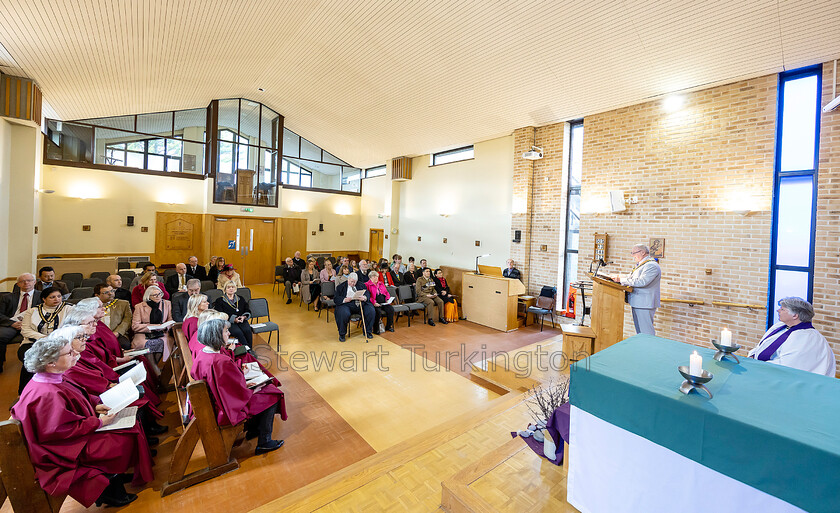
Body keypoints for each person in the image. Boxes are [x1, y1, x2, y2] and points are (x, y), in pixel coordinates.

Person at [11, 335, 154, 507]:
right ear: (51, 363)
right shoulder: (46, 394)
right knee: (122, 437)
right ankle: (108, 485)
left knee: (128, 426)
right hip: (62, 452)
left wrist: (94, 406)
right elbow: (61, 430)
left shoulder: (51, 377)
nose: (74, 354)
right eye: (68, 353)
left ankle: (114, 475)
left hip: (71, 438)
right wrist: (99, 423)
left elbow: (74, 398)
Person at [192, 319, 285, 455]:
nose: (229, 333)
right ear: (216, 335)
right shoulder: (221, 361)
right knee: (273, 393)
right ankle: (264, 442)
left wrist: (242, 379)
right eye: (225, 331)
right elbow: (236, 393)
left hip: (216, 401)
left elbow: (224, 384)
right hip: (227, 407)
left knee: (265, 389)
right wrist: (254, 388)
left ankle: (254, 429)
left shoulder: (203, 353)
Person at [748, 297, 836, 376]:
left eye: (782, 309)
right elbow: (761, 346)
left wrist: (759, 366)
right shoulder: (779, 326)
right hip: (761, 369)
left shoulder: (808, 337)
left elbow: (789, 365)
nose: (778, 311)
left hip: (782, 378)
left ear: (795, 315)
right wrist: (753, 355)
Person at [610, 244, 661, 335]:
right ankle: (642, 348)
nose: (632, 255)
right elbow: (632, 277)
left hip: (645, 303)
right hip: (638, 302)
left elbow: (642, 281)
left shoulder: (651, 265)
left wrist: (621, 280)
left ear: (643, 252)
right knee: (640, 332)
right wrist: (618, 277)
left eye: (634, 253)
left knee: (646, 332)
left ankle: (649, 349)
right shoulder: (642, 265)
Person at [0, 273, 40, 372]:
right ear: (18, 284)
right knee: (0, 336)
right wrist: (11, 323)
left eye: (29, 280)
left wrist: (29, 323)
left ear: (34, 282)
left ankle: (35, 367)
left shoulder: (42, 296)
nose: (26, 283)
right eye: (22, 281)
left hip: (33, 325)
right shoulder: (7, 297)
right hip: (12, 324)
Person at [131, 285, 173, 364]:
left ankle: (153, 369)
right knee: (148, 344)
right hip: (144, 334)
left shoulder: (167, 304)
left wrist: (165, 326)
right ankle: (156, 371)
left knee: (162, 343)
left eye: (159, 294)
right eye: (155, 295)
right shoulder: (139, 307)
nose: (158, 296)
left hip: (162, 333)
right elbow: (135, 326)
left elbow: (170, 320)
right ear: (148, 296)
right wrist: (152, 327)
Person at [334, 273, 375, 342]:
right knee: (343, 313)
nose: (352, 283)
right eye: (351, 281)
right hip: (347, 304)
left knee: (371, 310)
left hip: (360, 304)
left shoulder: (361, 285)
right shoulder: (341, 287)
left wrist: (364, 297)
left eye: (354, 282)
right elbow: (336, 299)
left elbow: (367, 293)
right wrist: (344, 299)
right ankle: (342, 334)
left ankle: (367, 331)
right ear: (348, 279)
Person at [214, 281, 253, 348]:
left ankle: (250, 348)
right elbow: (220, 314)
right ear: (225, 289)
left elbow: (247, 309)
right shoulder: (219, 300)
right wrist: (234, 319)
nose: (231, 289)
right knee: (238, 332)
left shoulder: (241, 298)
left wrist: (244, 317)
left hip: (241, 320)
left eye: (232, 287)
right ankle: (246, 350)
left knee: (247, 330)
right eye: (228, 287)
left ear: (235, 289)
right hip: (228, 322)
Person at [94, 283, 132, 349]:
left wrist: (117, 332)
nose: (110, 294)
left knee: (124, 344)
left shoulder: (123, 304)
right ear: (97, 295)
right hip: (97, 335)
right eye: (106, 292)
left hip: (117, 333)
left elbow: (127, 320)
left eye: (112, 291)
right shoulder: (91, 306)